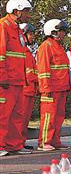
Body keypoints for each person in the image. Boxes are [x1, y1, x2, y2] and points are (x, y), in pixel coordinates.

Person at [0, 0, 33, 156]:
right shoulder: (3, 26)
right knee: (3, 114)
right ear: (16, 11)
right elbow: (1, 54)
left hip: (18, 80)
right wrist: (2, 77)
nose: (28, 15)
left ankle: (14, 145)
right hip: (6, 81)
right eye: (26, 11)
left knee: (16, 115)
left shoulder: (17, 29)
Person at [37, 19, 71, 151]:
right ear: (53, 31)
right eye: (61, 31)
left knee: (59, 116)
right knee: (48, 116)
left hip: (61, 88)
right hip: (51, 89)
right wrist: (46, 88)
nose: (63, 34)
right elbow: (43, 69)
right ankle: (44, 141)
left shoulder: (59, 46)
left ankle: (55, 140)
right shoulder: (46, 46)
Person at [20, 23, 38, 151]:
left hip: (30, 89)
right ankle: (17, 143)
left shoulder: (27, 52)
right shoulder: (22, 52)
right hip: (24, 90)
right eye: (30, 34)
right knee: (20, 119)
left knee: (25, 120)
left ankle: (21, 141)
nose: (33, 36)